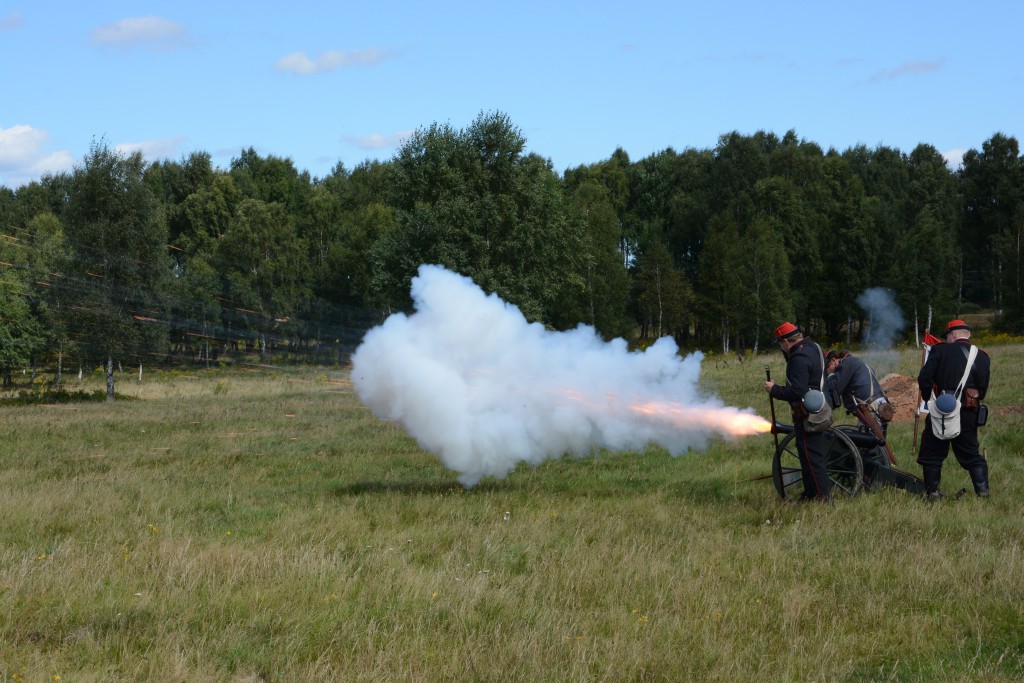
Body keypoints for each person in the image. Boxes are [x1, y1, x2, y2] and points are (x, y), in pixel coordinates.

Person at [917, 319, 991, 500]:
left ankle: (932, 494)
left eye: (948, 335)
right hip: (968, 411)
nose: (947, 338)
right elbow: (983, 388)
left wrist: (930, 400)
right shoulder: (982, 356)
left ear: (953, 334)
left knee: (933, 453)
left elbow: (925, 378)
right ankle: (983, 493)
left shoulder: (940, 350)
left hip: (942, 411)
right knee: (971, 453)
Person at [764, 322, 832, 501]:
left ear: (786, 342)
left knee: (812, 459)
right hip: (820, 407)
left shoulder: (798, 357)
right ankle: (810, 494)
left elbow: (796, 391)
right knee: (808, 456)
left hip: (807, 414)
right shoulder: (813, 347)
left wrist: (774, 389)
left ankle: (823, 499)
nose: (781, 348)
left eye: (781, 344)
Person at [825, 350, 893, 436]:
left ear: (834, 361)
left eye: (828, 366)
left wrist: (830, 375)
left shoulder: (847, 363)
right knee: (877, 445)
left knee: (868, 446)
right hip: (878, 407)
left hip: (871, 409)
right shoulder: (856, 362)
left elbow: (834, 389)